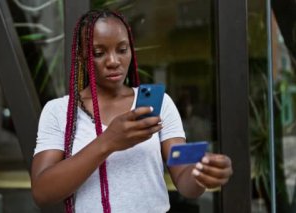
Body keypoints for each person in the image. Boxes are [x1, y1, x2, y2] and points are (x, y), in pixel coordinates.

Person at [31, 9, 233, 213]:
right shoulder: (59, 111)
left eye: (122, 49)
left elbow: (184, 180)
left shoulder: (159, 104)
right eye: (99, 53)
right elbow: (42, 193)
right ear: (83, 57)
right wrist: (108, 142)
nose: (113, 61)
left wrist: (201, 174)